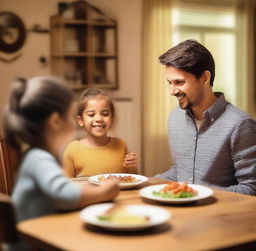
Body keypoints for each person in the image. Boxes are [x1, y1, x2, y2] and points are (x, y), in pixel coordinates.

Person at [3, 76, 120, 223]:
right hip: (33, 243)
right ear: (56, 121)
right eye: (70, 116)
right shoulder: (38, 158)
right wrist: (104, 191)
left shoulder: (38, 155)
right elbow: (64, 196)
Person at [155, 39, 256, 195]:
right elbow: (181, 172)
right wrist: (146, 183)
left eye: (179, 82)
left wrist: (198, 194)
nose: (172, 91)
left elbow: (251, 188)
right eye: (169, 82)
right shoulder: (175, 118)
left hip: (219, 217)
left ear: (204, 78)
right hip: (183, 212)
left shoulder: (240, 124)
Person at [63, 88, 138, 178]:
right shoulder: (72, 149)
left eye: (105, 114)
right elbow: (66, 185)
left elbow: (131, 178)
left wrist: (132, 166)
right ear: (81, 120)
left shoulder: (121, 145)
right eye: (91, 115)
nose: (99, 119)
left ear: (112, 118)